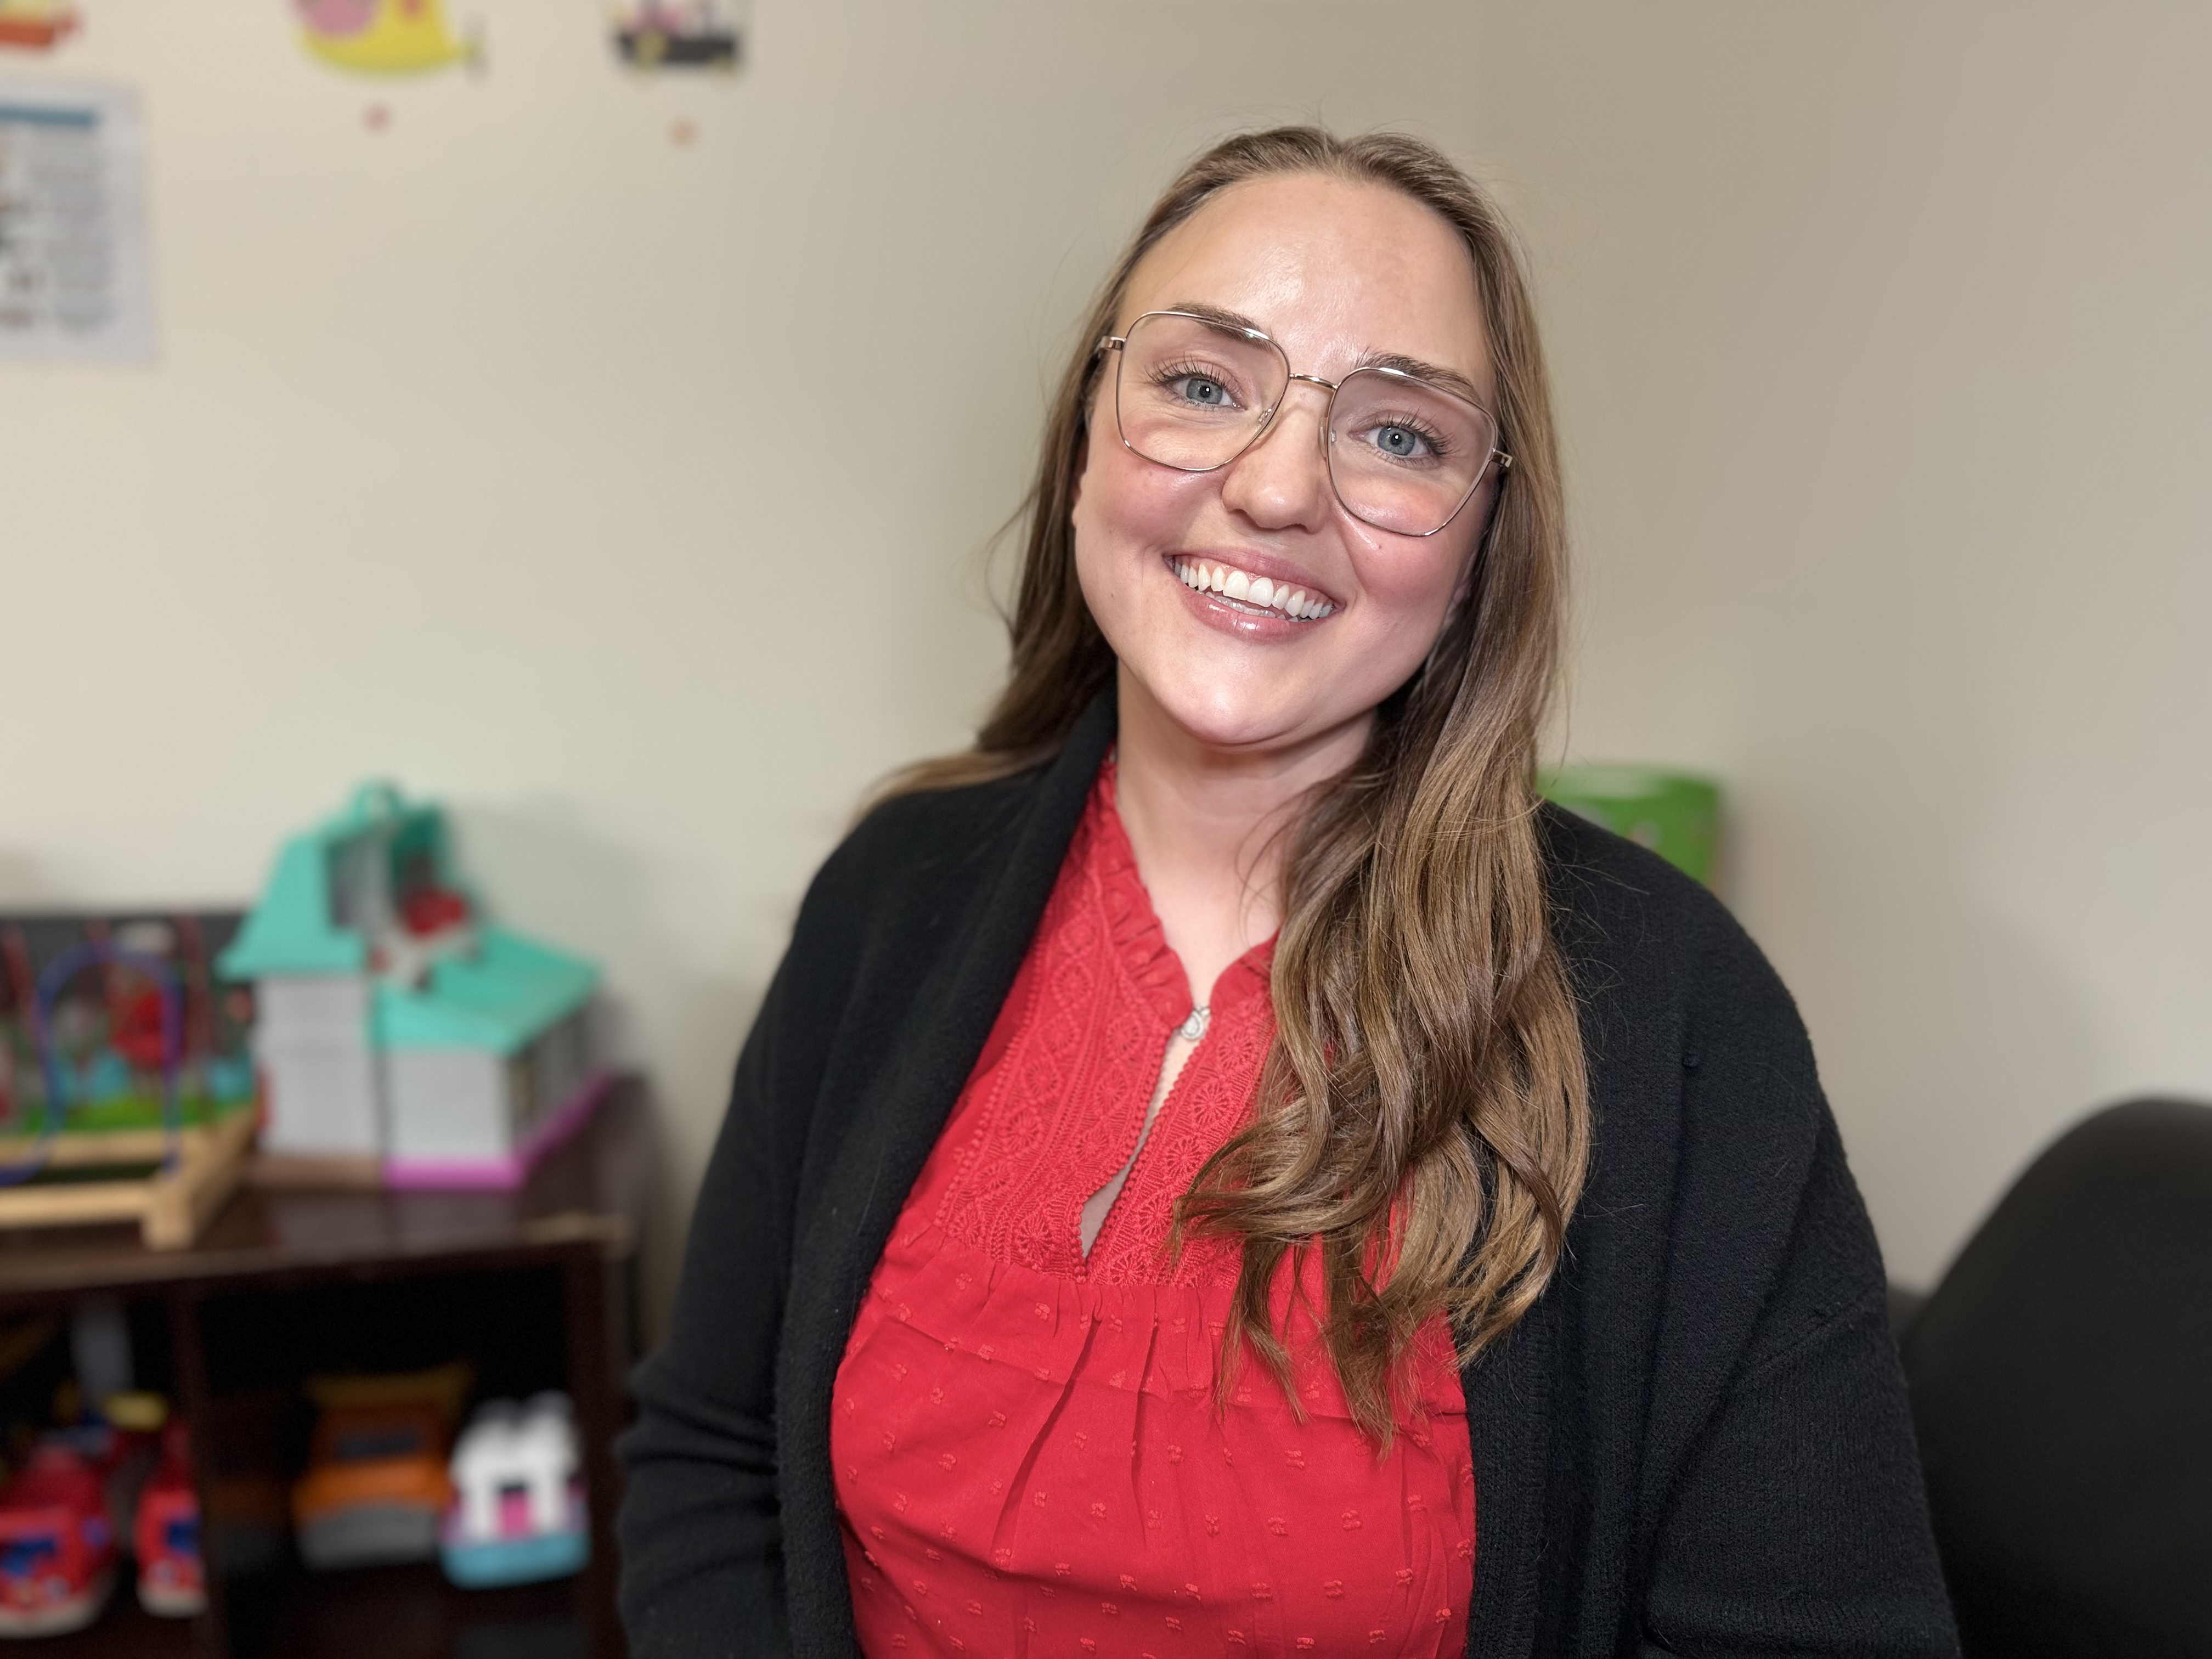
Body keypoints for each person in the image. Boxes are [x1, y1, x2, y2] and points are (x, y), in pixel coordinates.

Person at [615, 127, 1959, 1659]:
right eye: (1202, 384)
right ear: (1084, 439)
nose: (1273, 487)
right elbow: (712, 1460)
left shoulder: (1675, 1014)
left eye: (1399, 435)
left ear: (1483, 543)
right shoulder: (889, 899)